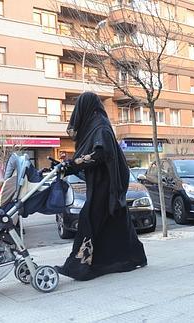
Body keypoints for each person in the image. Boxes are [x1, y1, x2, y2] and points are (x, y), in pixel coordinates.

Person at [56, 91, 147, 281]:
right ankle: (131, 258)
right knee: (116, 223)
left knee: (89, 218)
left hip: (105, 186)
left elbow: (99, 154)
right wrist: (71, 166)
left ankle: (80, 265)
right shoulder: (95, 126)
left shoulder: (100, 127)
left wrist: (74, 164)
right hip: (100, 183)